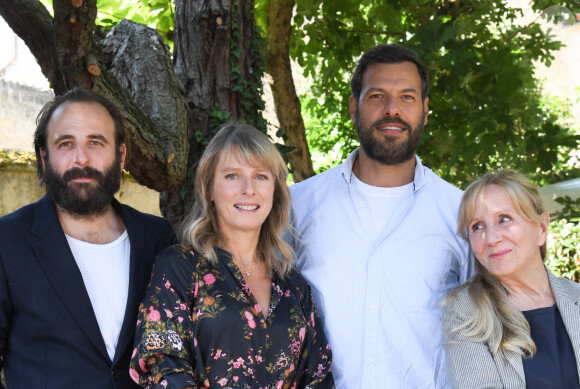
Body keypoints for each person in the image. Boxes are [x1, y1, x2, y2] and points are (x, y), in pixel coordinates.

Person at [288, 43, 472, 388]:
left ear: (425, 110)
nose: (392, 110)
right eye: (376, 97)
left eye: (407, 97)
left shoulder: (460, 212)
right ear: (353, 108)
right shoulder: (297, 205)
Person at [130, 123, 334, 388]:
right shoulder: (180, 267)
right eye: (232, 176)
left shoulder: (294, 287)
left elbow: (318, 377)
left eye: (261, 176)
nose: (248, 188)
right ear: (210, 189)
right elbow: (161, 364)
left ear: (275, 191)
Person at [0, 88, 177, 388]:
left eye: (95, 142)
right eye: (65, 143)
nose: (81, 159)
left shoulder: (157, 238)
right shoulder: (7, 241)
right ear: (44, 157)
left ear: (120, 156)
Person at [441, 169, 580, 389]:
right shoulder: (463, 310)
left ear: (541, 228)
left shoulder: (576, 297)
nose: (491, 238)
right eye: (477, 226)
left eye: (503, 219)